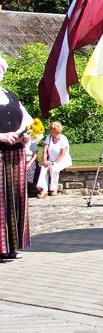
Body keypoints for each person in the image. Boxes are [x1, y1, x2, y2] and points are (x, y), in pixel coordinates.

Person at [0, 56, 33, 260]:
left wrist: (27, 134)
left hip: (15, 154)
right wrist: (1, 136)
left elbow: (27, 121)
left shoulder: (11, 96)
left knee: (15, 198)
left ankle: (11, 246)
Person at [35, 121, 72, 197]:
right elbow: (45, 151)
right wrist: (45, 161)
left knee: (53, 169)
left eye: (51, 129)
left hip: (62, 160)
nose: (50, 130)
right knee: (43, 168)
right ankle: (43, 190)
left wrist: (54, 163)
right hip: (51, 160)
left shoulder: (63, 139)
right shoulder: (49, 137)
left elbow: (62, 154)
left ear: (56, 129)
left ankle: (53, 189)